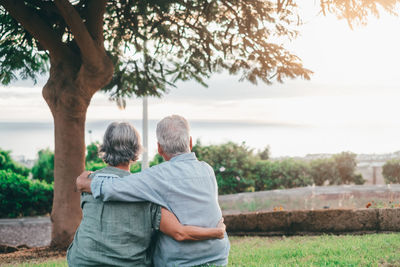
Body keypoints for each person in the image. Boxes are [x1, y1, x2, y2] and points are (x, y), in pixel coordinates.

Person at [77, 115, 230, 267]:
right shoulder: (207, 169)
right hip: (218, 255)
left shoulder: (155, 176)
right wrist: (217, 232)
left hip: (179, 261)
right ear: (190, 142)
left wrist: (85, 182)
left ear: (159, 148)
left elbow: (112, 188)